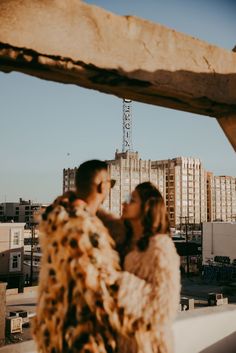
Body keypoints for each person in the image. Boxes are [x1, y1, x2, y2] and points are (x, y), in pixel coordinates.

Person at [32, 160, 158, 353]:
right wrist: (150, 293)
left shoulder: (60, 218)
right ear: (103, 185)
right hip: (82, 339)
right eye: (111, 184)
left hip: (55, 331)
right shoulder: (84, 230)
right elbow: (103, 289)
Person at [99, 181, 180, 353]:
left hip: (147, 344)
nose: (124, 202)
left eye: (131, 199)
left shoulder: (160, 247)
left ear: (147, 207)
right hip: (120, 341)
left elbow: (164, 305)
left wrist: (119, 282)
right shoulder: (125, 239)